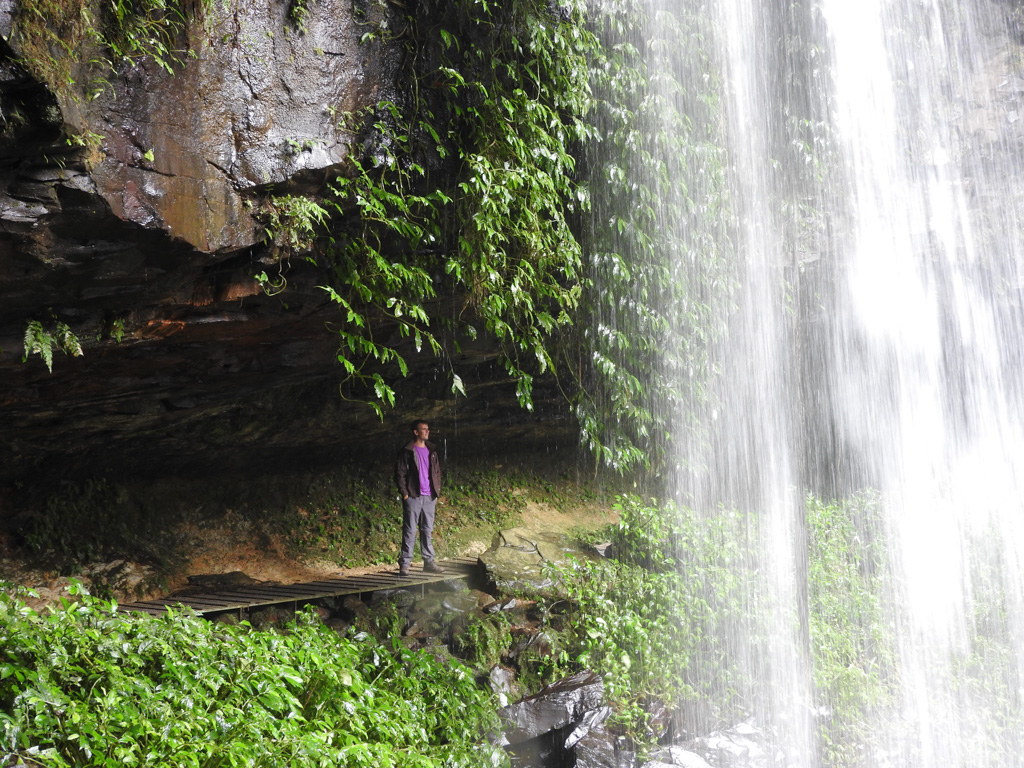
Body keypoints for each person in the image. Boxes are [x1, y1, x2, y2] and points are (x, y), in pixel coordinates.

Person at [394, 419, 444, 576]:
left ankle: (429, 562)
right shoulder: (408, 451)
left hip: (429, 496)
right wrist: (405, 493)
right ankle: (405, 564)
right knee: (410, 530)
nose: (427, 431)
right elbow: (400, 473)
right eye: (424, 429)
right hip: (413, 495)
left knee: (427, 529)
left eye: (428, 429)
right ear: (416, 432)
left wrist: (436, 492)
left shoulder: (432, 450)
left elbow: (436, 472)